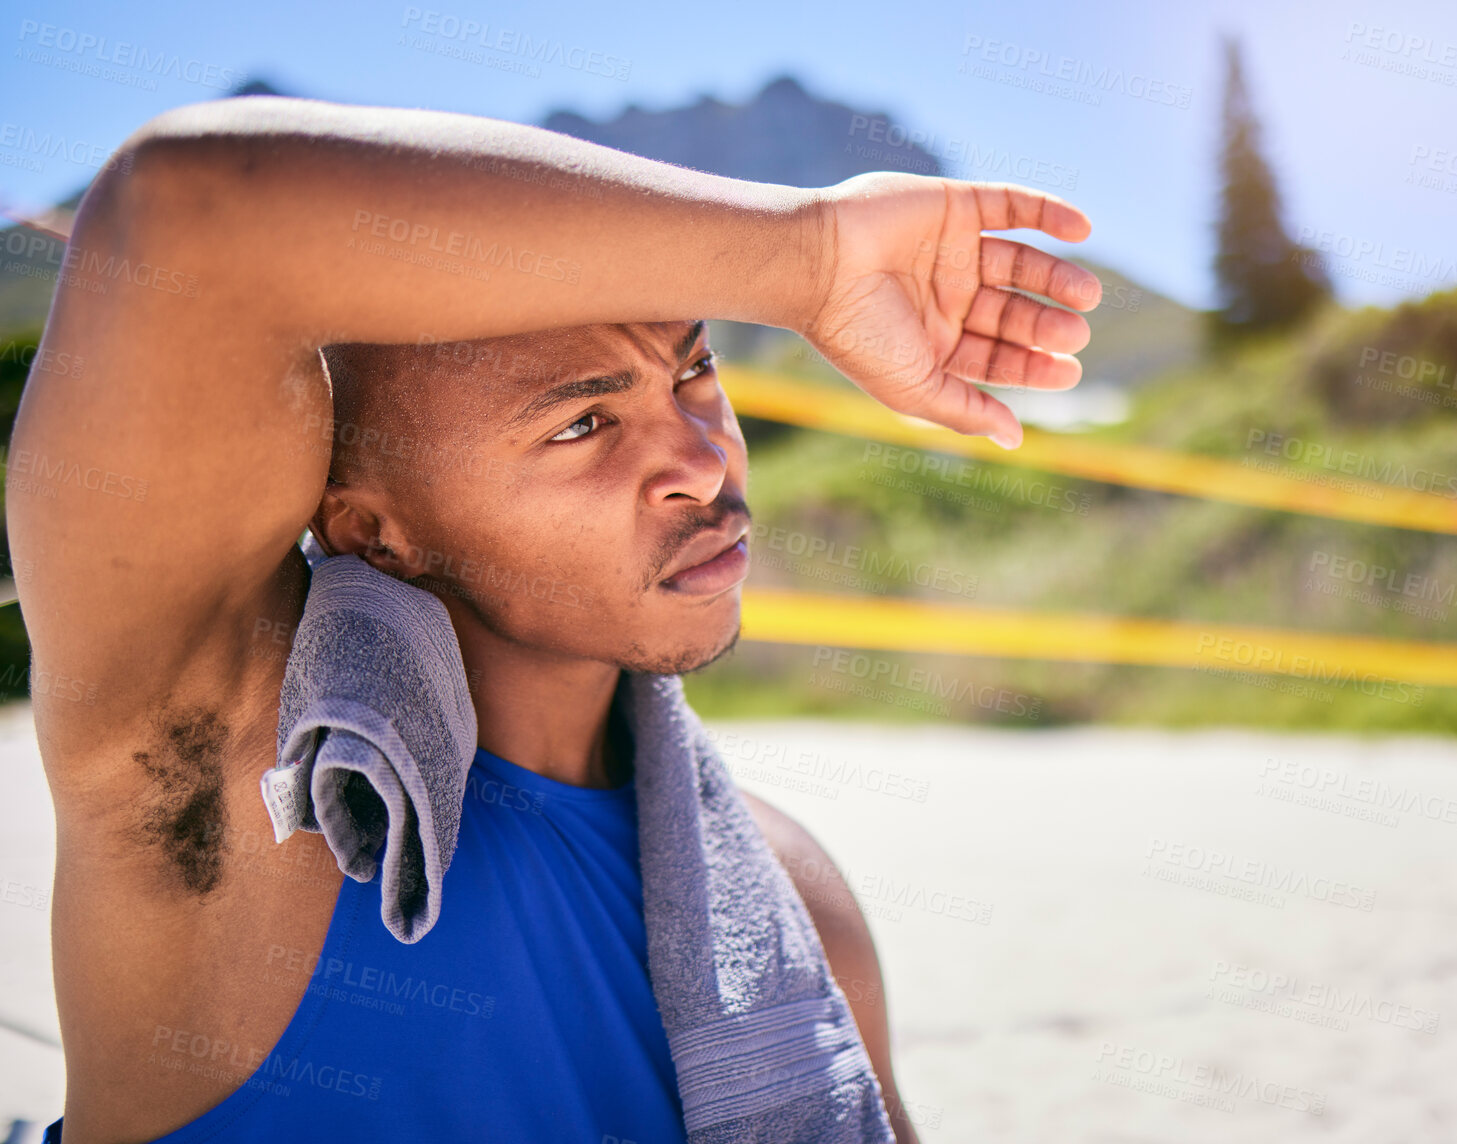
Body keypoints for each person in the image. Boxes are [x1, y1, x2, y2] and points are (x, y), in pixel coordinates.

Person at [8, 94, 1100, 1142]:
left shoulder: (790, 892)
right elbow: (189, 203)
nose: (699, 459)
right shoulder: (229, 780)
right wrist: (807, 259)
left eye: (695, 371)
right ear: (373, 527)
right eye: (582, 423)